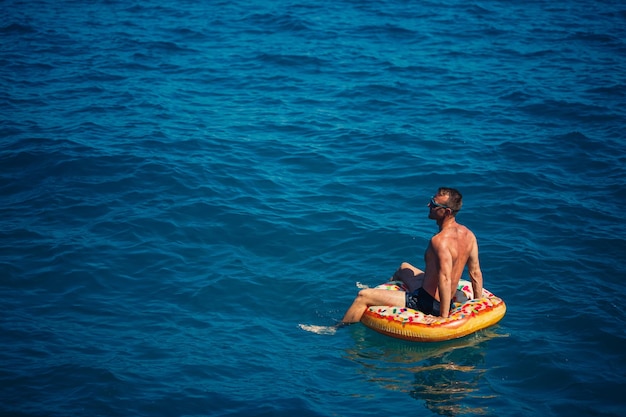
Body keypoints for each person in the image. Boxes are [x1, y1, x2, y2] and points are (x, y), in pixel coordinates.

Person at [339, 187, 484, 324]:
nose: (429, 205)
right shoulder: (468, 235)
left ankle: (337, 330)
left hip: (427, 303)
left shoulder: (439, 241)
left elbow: (445, 279)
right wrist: (478, 304)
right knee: (404, 267)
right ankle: (384, 291)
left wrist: (443, 317)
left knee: (363, 296)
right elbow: (475, 271)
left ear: (446, 212)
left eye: (434, 204)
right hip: (434, 295)